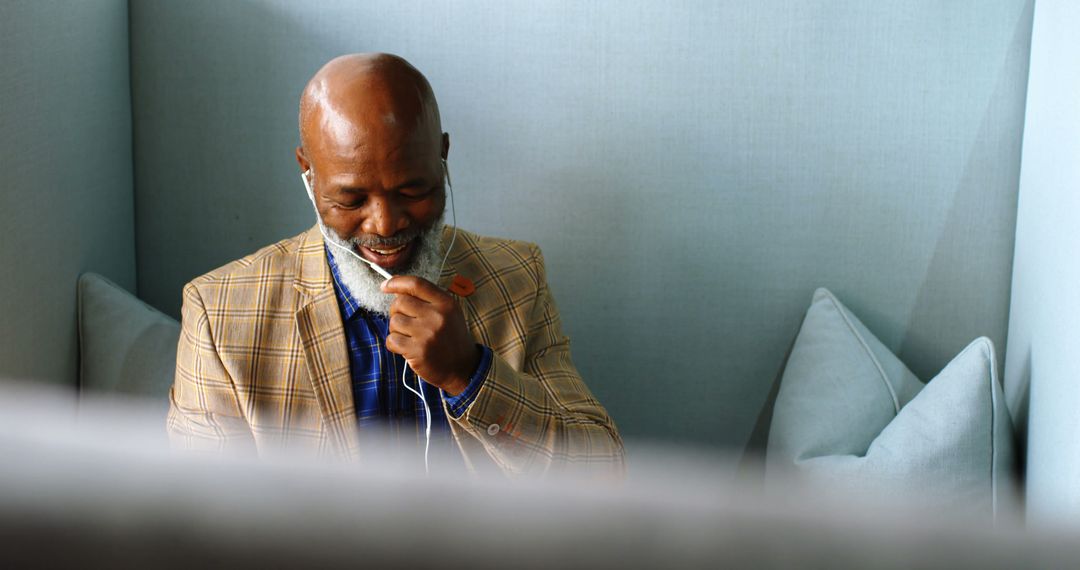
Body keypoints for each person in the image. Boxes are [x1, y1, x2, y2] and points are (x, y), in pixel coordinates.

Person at [166, 53, 624, 476]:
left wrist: (471, 374)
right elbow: (200, 524)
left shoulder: (517, 277)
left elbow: (602, 474)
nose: (385, 225)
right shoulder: (219, 315)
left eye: (412, 191)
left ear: (441, 158)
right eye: (351, 198)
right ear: (308, 173)